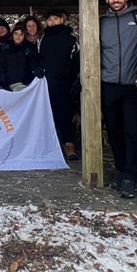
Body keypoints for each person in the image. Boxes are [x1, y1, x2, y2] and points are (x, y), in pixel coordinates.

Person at [99, 0, 137, 198]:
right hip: (108, 85)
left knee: (131, 131)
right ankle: (122, 170)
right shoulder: (101, 23)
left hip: (132, 86)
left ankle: (130, 175)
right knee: (114, 132)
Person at [39, 8, 80, 161]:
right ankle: (49, 145)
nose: (52, 22)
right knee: (47, 115)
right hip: (46, 84)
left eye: (55, 19)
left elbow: (78, 61)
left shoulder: (72, 39)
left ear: (62, 19)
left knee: (65, 115)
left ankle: (69, 144)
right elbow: (39, 57)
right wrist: (38, 66)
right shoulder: (42, 39)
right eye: (49, 19)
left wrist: (77, 80)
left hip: (66, 83)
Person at [0, 23, 42, 90]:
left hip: (25, 83)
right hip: (10, 83)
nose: (18, 36)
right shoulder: (6, 49)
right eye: (16, 34)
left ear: (24, 36)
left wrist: (36, 69)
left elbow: (33, 63)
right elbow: (2, 67)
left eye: (21, 34)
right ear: (12, 35)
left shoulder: (28, 48)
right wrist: (2, 82)